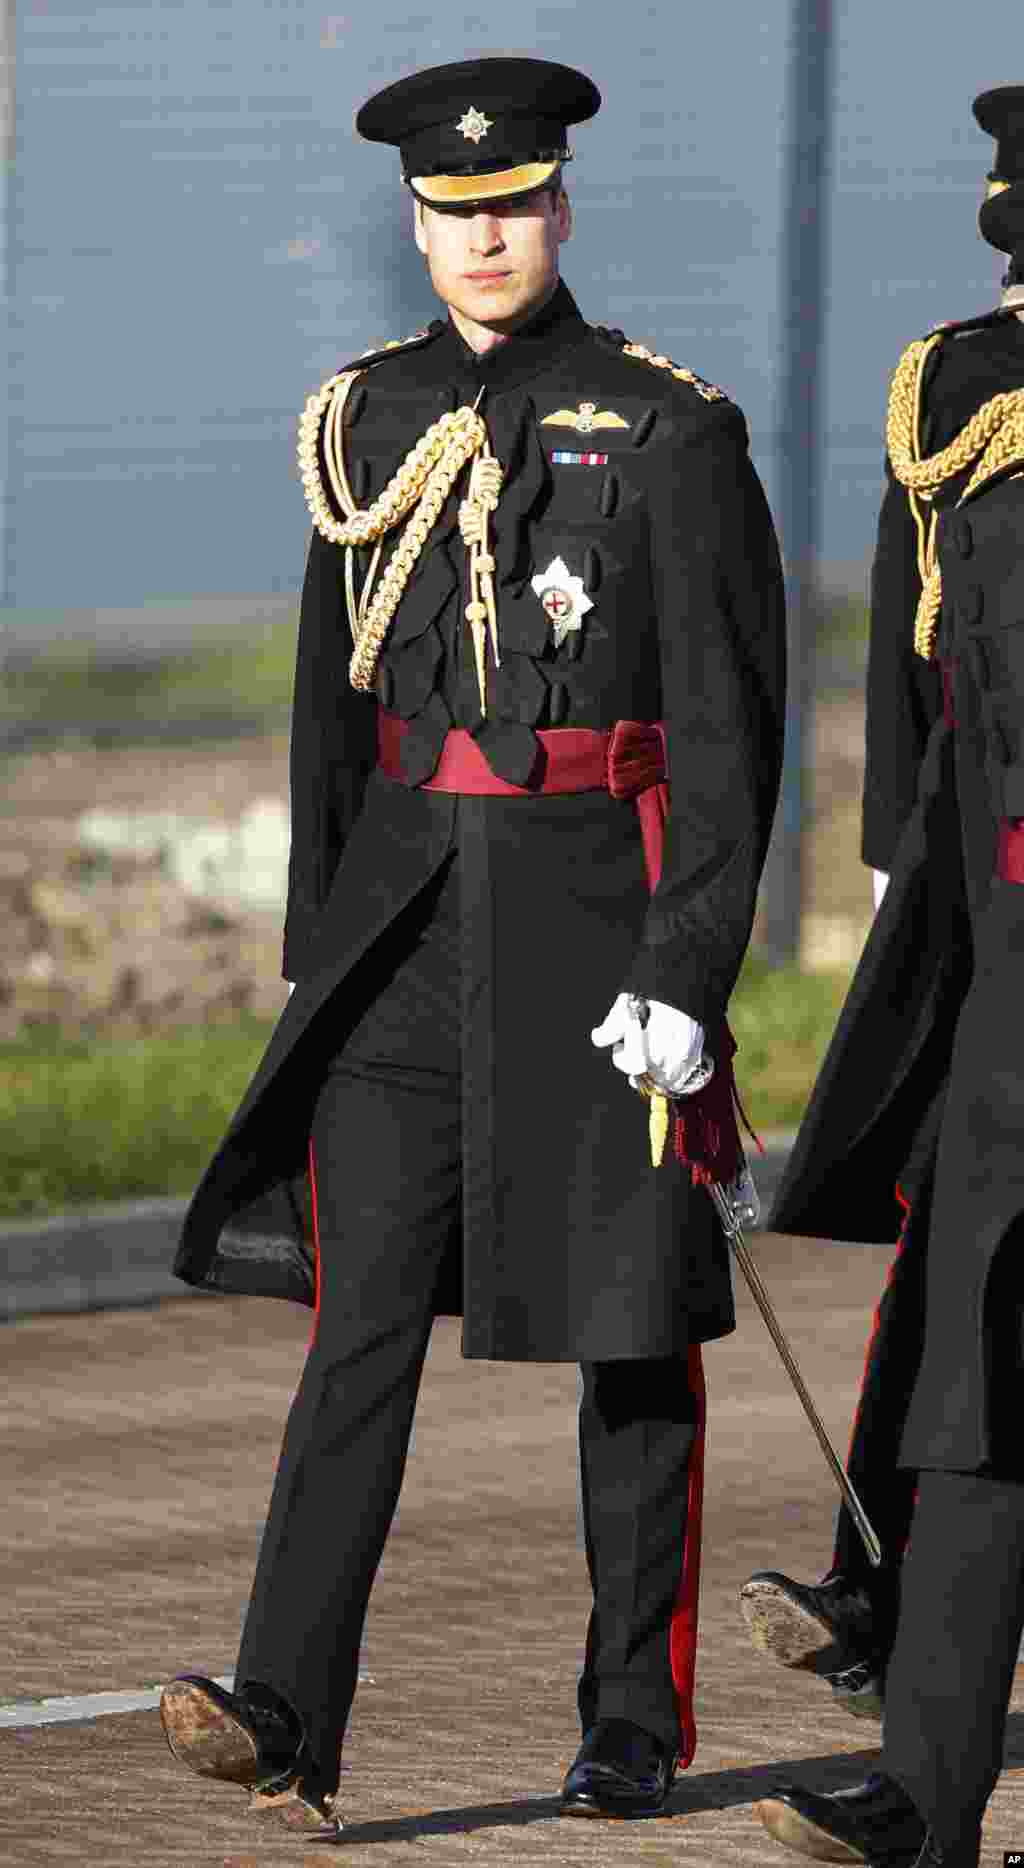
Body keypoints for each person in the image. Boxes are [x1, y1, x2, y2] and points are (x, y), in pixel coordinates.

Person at [156, 55, 786, 1840]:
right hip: (405, 934)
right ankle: (285, 1707)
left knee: (628, 1340)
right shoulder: (363, 420)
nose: (486, 235)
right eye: (455, 211)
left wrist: (693, 969)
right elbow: (324, 713)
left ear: (560, 209)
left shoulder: (663, 426)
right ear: (417, 225)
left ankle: (631, 1726)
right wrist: (319, 954)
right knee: (357, 1330)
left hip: (602, 932)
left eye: (513, 207)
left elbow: (733, 738)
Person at [747, 85, 1024, 1868]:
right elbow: (928, 712)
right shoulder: (962, 401)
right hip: (1007, 954)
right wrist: (907, 950)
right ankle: (922, 1800)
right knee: (982, 1364)